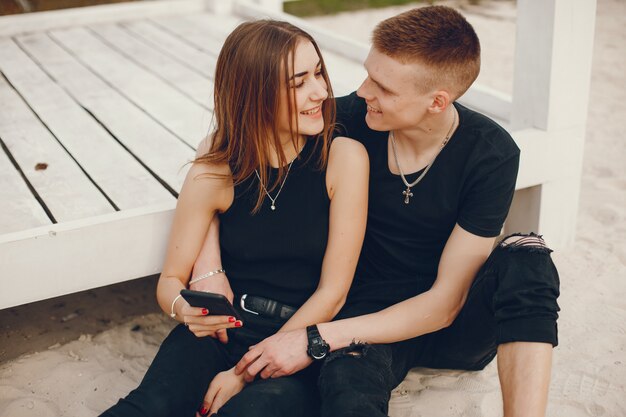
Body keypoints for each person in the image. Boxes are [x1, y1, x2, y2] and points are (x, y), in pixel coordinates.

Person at [198, 6, 560, 417]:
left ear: (436, 102)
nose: (364, 91)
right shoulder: (348, 119)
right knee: (345, 381)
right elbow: (228, 147)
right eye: (368, 73)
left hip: (451, 325)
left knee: (526, 254)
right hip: (362, 317)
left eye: (383, 87)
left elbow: (446, 302)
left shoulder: (489, 153)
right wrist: (209, 266)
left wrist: (312, 338)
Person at [99, 19, 369, 417]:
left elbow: (334, 293)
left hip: (300, 337)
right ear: (255, 94)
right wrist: (183, 309)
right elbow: (170, 280)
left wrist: (242, 374)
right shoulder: (216, 170)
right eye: (299, 83)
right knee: (152, 405)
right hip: (223, 329)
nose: (321, 91)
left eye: (318, 73)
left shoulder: (343, 158)